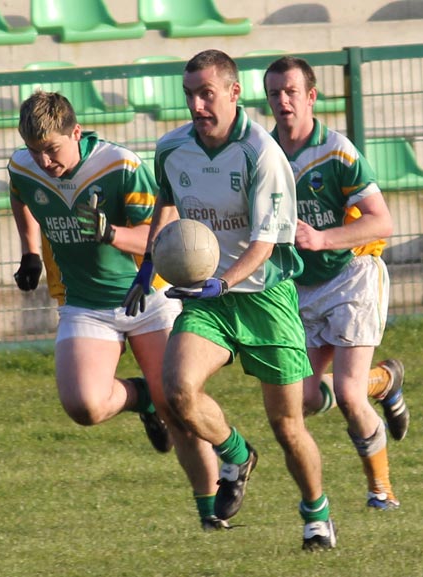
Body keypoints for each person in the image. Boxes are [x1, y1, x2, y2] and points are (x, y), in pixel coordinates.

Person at [124, 49, 336, 551]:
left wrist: (225, 280)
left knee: (287, 425)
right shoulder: (172, 147)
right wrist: (149, 267)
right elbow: (167, 201)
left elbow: (265, 243)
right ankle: (236, 455)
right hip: (208, 300)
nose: (197, 104)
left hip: (265, 297)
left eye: (207, 93)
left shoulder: (261, 153)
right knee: (176, 391)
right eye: (190, 94)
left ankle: (316, 515)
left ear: (233, 93)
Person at [9, 90, 221, 530]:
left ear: (77, 132)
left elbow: (163, 241)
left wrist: (111, 235)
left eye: (52, 149)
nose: (45, 161)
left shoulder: (120, 166)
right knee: (83, 406)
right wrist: (30, 251)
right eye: (36, 152)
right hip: (85, 305)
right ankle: (144, 397)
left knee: (180, 410)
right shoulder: (24, 165)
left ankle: (211, 515)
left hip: (148, 298)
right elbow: (20, 193)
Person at [263, 55, 410, 510]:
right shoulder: (264, 155)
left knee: (346, 395)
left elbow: (381, 222)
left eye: (291, 92)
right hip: (301, 288)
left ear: (310, 97)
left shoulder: (338, 152)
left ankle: (381, 491)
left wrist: (324, 237)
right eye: (274, 93)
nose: (283, 101)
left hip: (352, 276)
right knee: (304, 397)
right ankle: (383, 381)